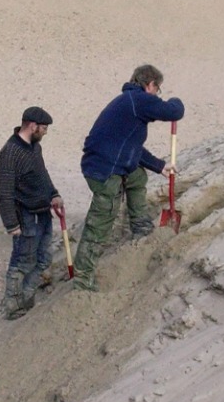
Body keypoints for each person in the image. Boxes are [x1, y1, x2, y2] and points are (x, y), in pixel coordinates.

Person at [72, 64, 184, 291]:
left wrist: (159, 166)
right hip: (103, 170)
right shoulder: (137, 100)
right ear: (149, 85)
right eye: (157, 89)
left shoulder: (128, 103)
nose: (156, 94)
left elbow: (132, 148)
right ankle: (83, 278)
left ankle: (141, 225)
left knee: (136, 177)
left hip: (109, 161)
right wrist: (176, 100)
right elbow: (174, 111)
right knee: (101, 219)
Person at [0, 105, 63, 318]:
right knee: (22, 262)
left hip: (43, 212)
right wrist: (11, 225)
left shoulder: (35, 147)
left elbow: (41, 174)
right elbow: (4, 193)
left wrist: (54, 194)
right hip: (25, 216)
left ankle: (26, 298)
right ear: (32, 126)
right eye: (43, 128)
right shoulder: (9, 153)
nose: (45, 132)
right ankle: (13, 308)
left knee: (43, 259)